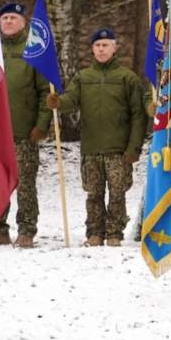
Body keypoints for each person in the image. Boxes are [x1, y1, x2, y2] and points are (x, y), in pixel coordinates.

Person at [51, 27, 146, 247]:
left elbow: (138, 116)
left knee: (117, 193)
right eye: (97, 45)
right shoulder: (83, 77)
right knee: (93, 194)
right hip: (91, 148)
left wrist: (133, 148)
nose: (101, 49)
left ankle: (114, 233)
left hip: (118, 149)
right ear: (92, 49)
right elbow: (71, 99)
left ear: (114, 48)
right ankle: (94, 233)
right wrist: (58, 102)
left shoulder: (127, 78)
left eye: (105, 45)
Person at [0, 2, 52, 249]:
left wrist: (42, 125)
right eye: (5, 18)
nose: (9, 22)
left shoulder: (34, 51)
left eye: (14, 17)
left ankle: (26, 230)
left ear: (24, 22)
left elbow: (46, 91)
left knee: (25, 184)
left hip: (24, 132)